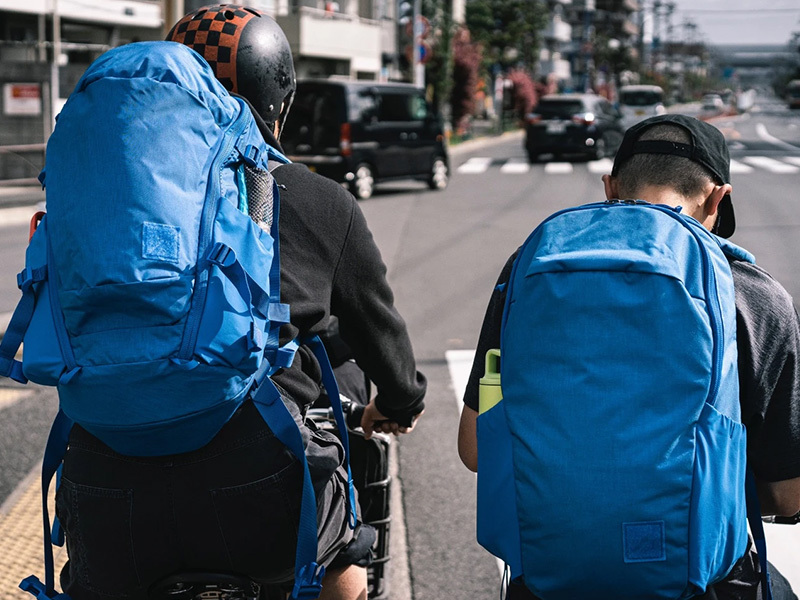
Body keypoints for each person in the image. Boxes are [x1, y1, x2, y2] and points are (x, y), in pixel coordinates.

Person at [56, 6, 425, 600]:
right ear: (278, 99)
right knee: (346, 571)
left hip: (106, 497)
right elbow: (381, 338)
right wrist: (401, 401)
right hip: (261, 498)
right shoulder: (318, 200)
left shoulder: (102, 204)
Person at [458, 114, 800, 599]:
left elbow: (476, 449)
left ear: (610, 187)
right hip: (700, 582)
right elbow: (788, 495)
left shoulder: (531, 269)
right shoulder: (755, 294)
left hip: (548, 577)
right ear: (719, 198)